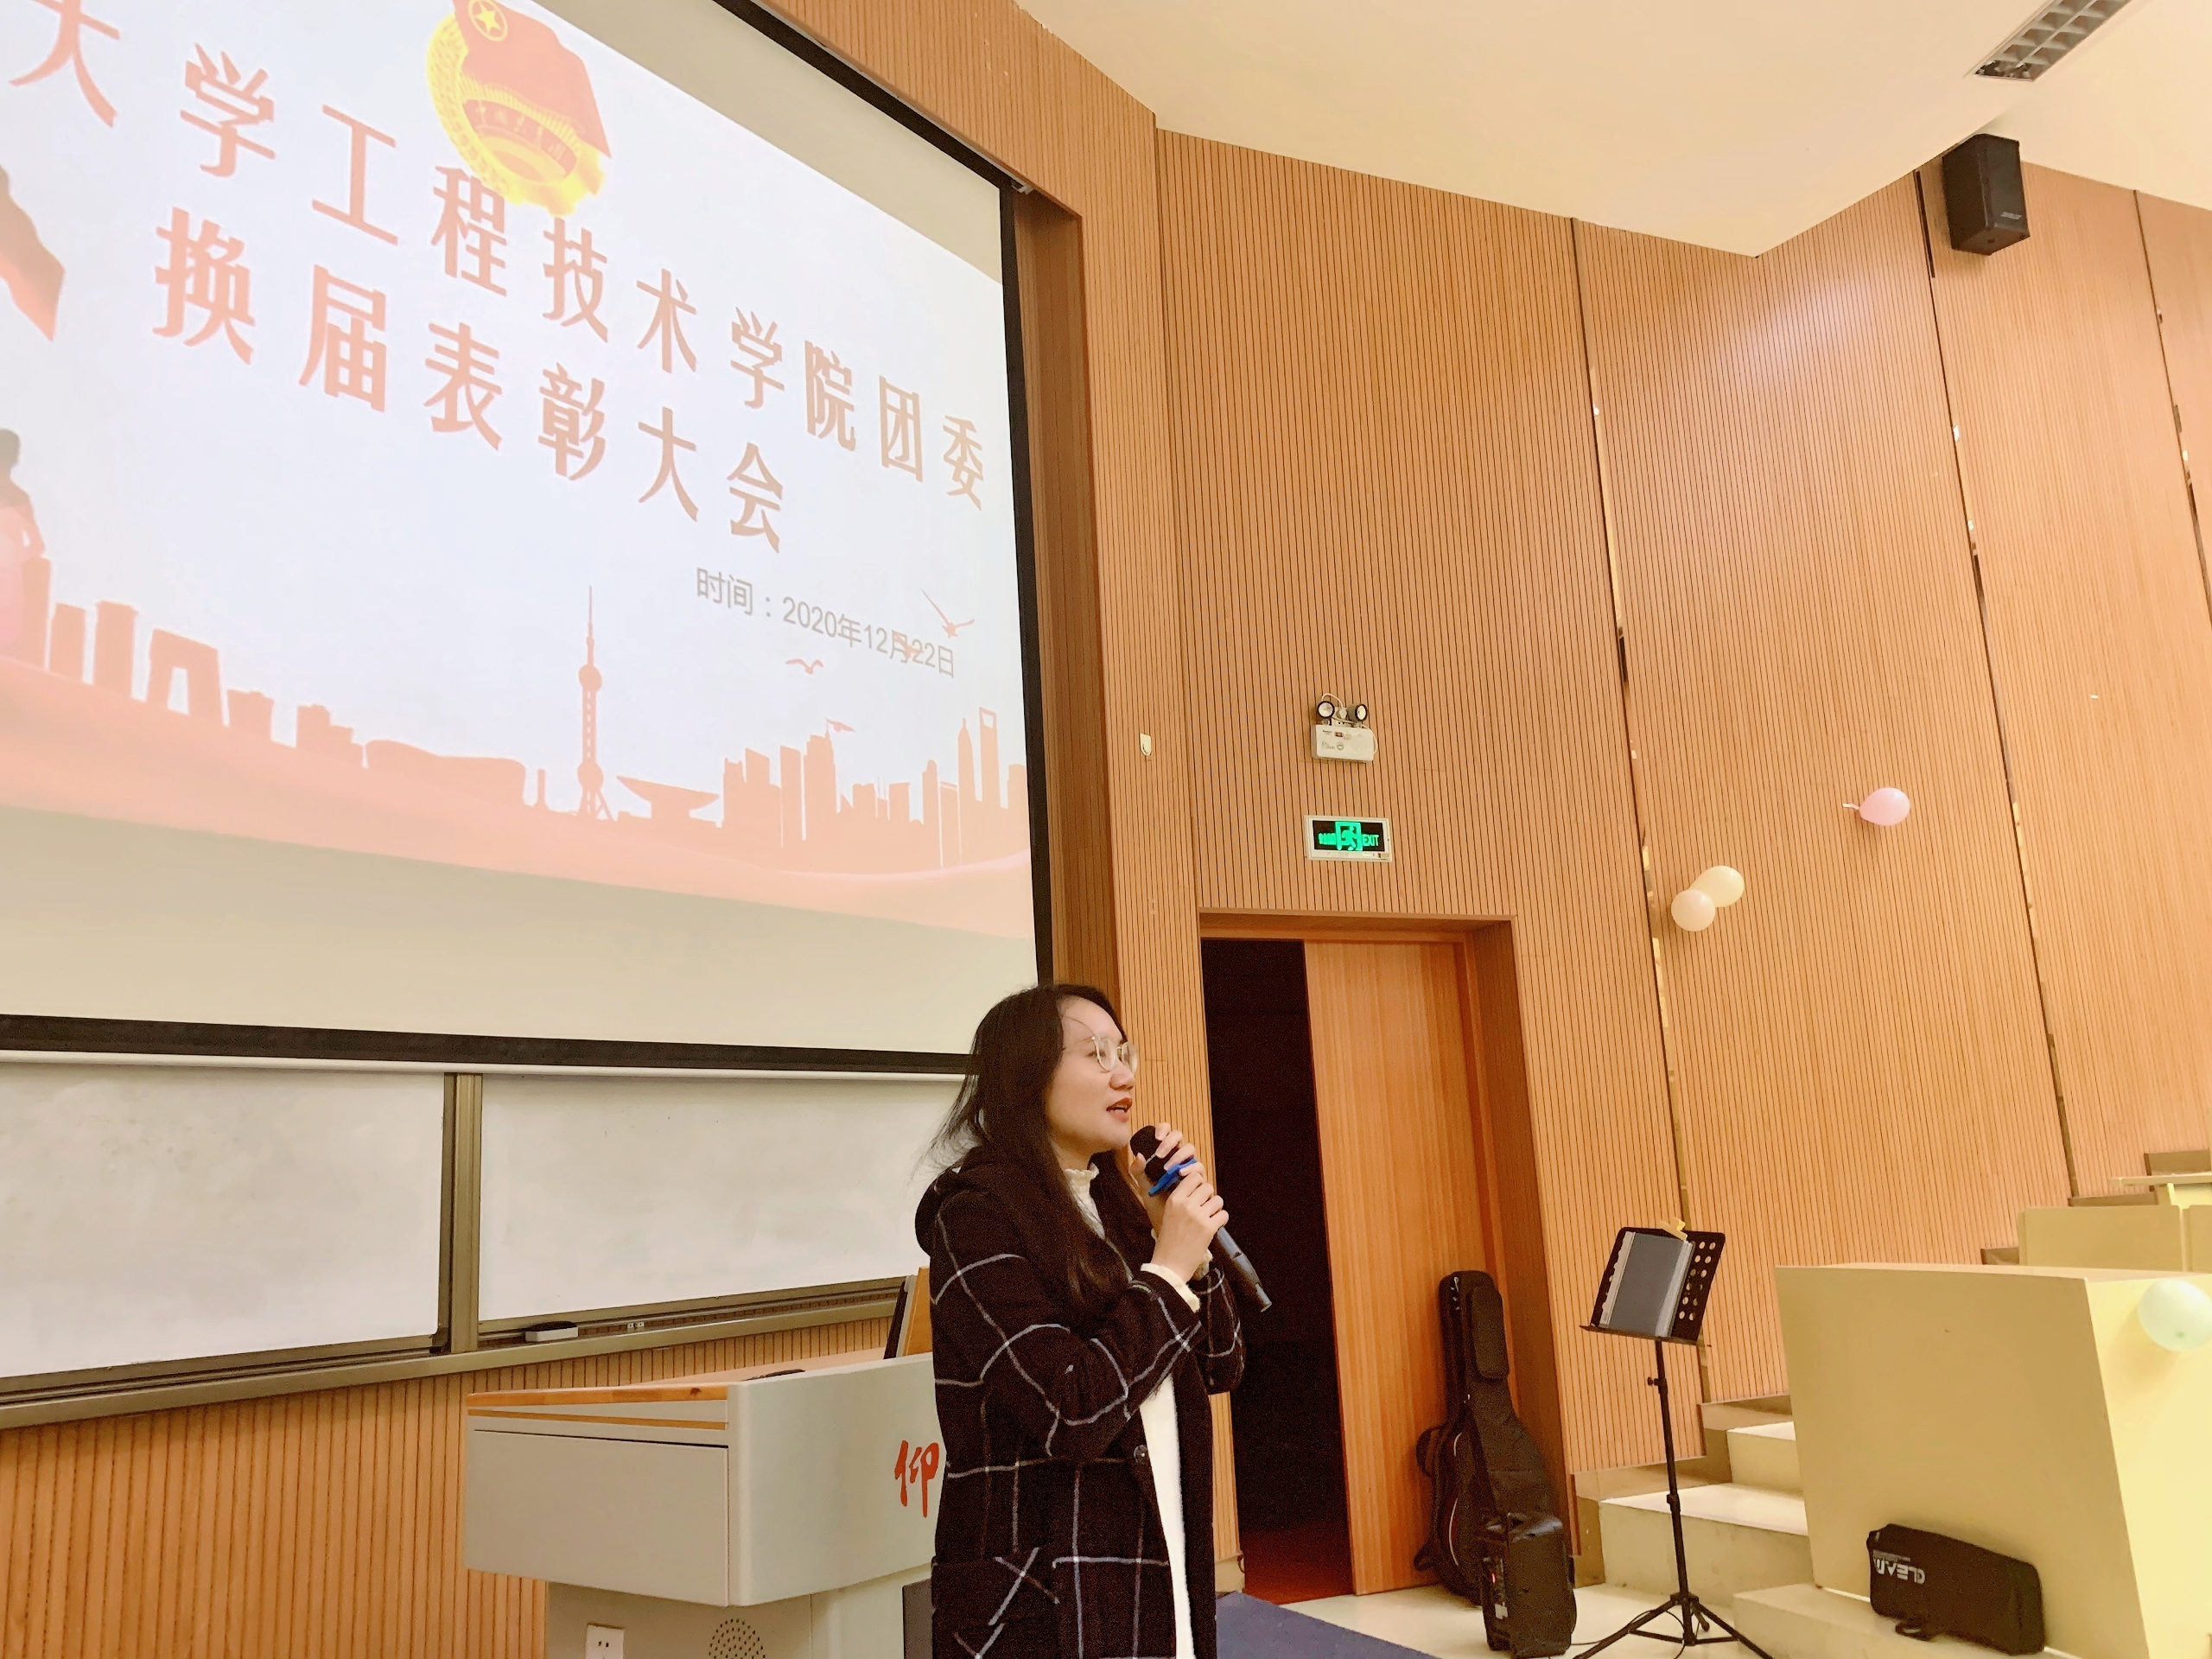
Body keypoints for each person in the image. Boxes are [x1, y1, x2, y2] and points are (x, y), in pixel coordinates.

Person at [917, 982, 1245, 1659]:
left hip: (1153, 1554)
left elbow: (1221, 1364)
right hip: (1044, 1594)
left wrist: (1187, 1253)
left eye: (1124, 1053)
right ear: (1027, 1078)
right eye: (1096, 1054)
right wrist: (1167, 1271)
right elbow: (1070, 1411)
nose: (1123, 1075)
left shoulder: (1120, 1206)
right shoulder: (975, 1215)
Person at [0, 429, 45, 662]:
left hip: (7, 585)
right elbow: (37, 546)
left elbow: (38, 545)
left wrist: (11, 559)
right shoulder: (21, 498)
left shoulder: (20, 499)